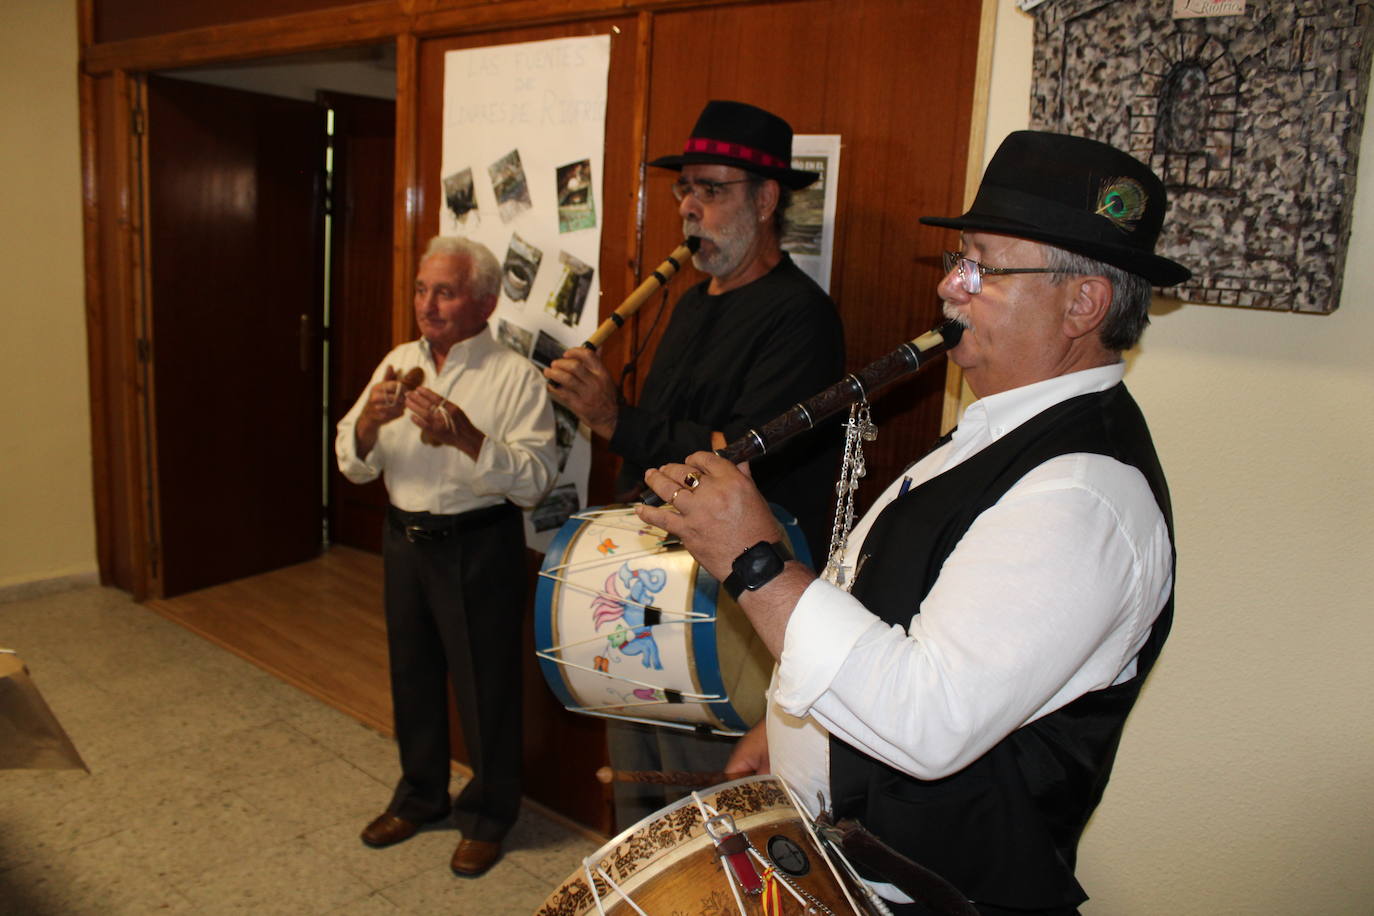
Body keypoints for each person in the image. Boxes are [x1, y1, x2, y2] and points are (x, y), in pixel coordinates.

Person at [637, 131, 1188, 916]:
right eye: (957, 261)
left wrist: (755, 560)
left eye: (984, 267)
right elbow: (884, 608)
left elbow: (926, 722)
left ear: (1083, 304)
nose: (951, 290)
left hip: (926, 896)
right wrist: (788, 725)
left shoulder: (1082, 497)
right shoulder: (1002, 427)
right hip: (853, 864)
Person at [544, 99, 845, 828]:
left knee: (714, 812)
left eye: (712, 190)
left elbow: (735, 462)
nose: (689, 208)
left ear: (767, 199)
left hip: (727, 609)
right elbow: (662, 444)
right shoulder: (685, 305)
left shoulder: (799, 316)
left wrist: (614, 417)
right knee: (639, 791)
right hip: (643, 584)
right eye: (685, 190)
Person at [336, 235, 558, 877]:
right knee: (411, 677)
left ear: (484, 301)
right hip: (403, 541)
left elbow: (537, 479)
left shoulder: (515, 376)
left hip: (477, 545)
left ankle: (490, 815)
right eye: (420, 289)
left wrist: (466, 437)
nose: (427, 304)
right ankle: (422, 796)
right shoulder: (398, 360)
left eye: (445, 291)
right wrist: (371, 425)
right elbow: (351, 463)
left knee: (485, 686)